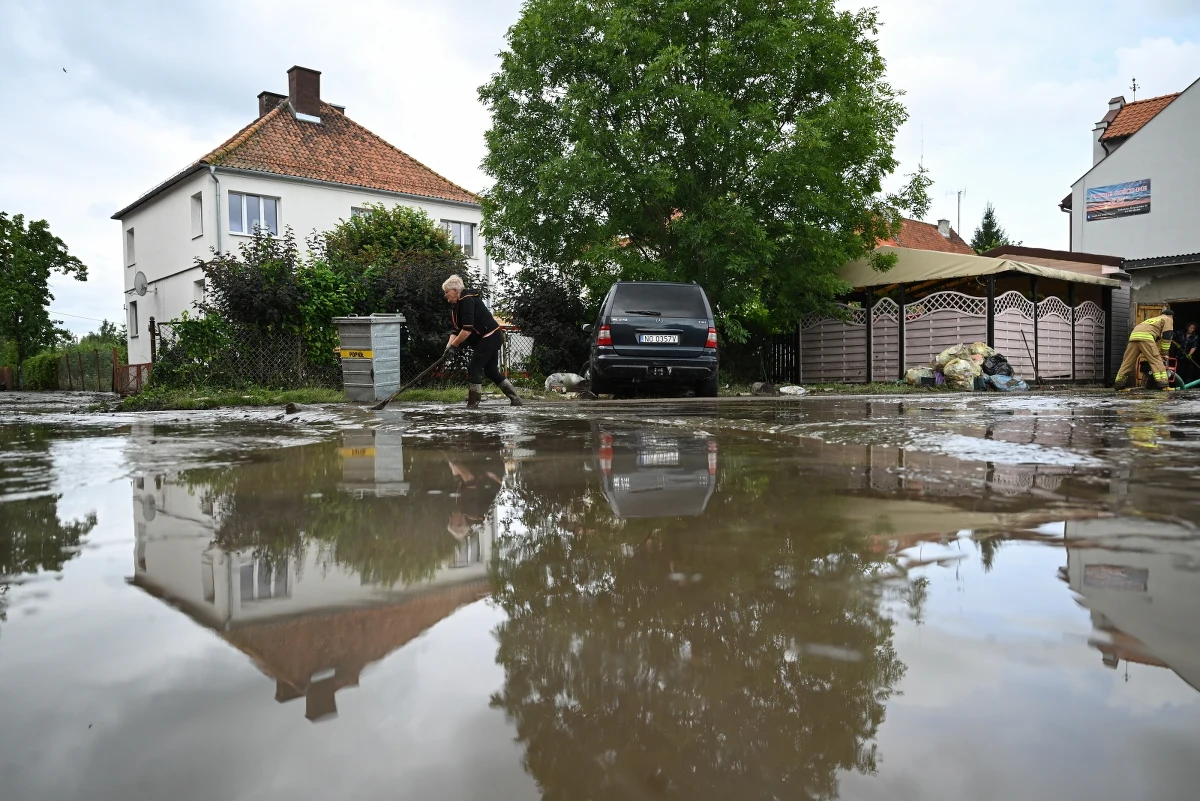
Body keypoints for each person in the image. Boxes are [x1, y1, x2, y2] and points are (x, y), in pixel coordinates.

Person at [442, 274, 523, 408]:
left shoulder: (467, 301)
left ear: (455, 290)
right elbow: (456, 330)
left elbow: (467, 330)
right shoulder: (457, 305)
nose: (445, 295)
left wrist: (454, 346)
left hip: (490, 337)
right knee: (491, 372)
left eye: (446, 292)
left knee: (474, 367)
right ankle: (515, 399)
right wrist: (448, 347)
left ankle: (473, 404)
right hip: (489, 338)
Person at [1114, 308, 1174, 390]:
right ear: (1171, 316)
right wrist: (1164, 352)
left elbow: (1154, 336)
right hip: (1146, 337)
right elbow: (1167, 336)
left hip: (1133, 337)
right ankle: (1163, 385)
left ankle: (1119, 385)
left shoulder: (1152, 320)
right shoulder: (1168, 319)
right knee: (1156, 361)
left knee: (1127, 362)